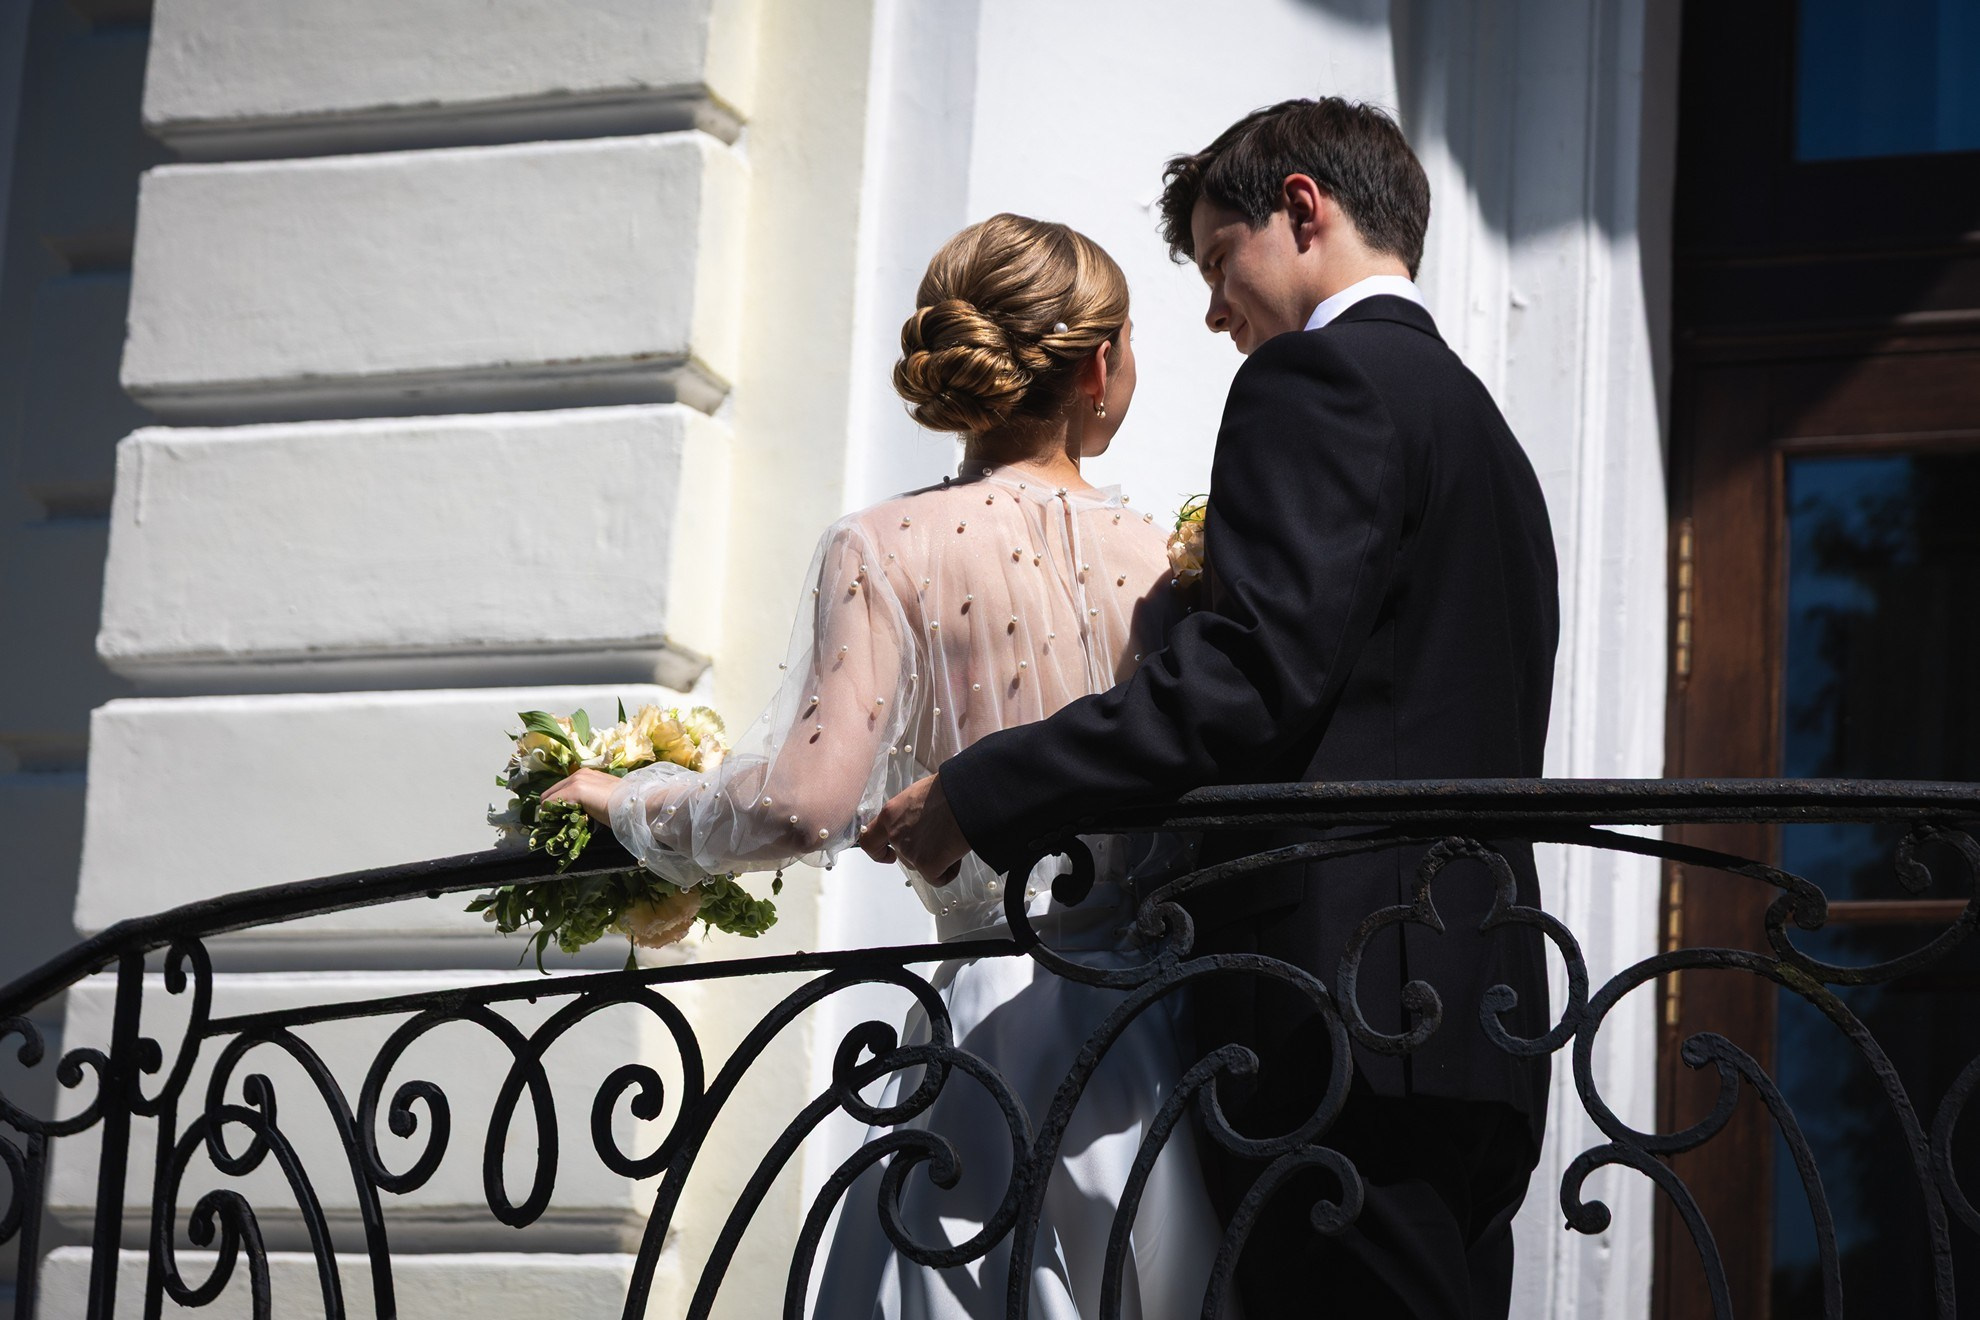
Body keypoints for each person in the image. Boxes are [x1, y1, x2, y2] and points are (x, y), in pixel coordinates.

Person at [861, 99, 1561, 1320]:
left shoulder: (1318, 378)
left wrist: (982, 790)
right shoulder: (1484, 431)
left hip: (1335, 1008)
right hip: (1479, 1012)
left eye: (1213, 259)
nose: (1211, 309)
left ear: (1300, 209)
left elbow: (1241, 683)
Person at [544, 213, 1225, 1318]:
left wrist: (634, 803)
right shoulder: (1166, 561)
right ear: (1099, 366)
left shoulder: (884, 546)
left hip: (992, 1039)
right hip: (1165, 1044)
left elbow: (805, 806)